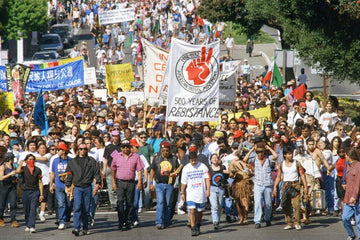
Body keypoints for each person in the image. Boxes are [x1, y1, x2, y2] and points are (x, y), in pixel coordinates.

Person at [65, 143, 101, 236]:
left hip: (87, 187)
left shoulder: (91, 161)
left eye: (85, 149)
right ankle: (76, 228)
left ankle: (85, 228)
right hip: (77, 187)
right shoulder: (73, 162)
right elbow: (69, 174)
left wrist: (98, 184)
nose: (83, 151)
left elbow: (96, 173)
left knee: (86, 208)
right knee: (77, 208)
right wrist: (68, 186)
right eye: (81, 149)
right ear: (78, 150)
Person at [111, 140, 144, 230]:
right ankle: (121, 221)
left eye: (127, 146)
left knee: (130, 202)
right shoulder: (117, 156)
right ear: (121, 148)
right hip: (120, 182)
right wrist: (113, 182)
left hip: (131, 182)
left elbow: (139, 170)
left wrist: (140, 182)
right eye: (123, 147)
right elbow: (113, 170)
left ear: (130, 147)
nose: (125, 148)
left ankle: (128, 220)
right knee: (120, 202)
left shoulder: (135, 157)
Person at [243, 142, 278, 229]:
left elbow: (276, 156)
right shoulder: (254, 159)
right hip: (258, 184)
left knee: (268, 203)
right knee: (258, 202)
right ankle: (257, 220)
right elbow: (245, 159)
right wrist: (252, 150)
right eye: (258, 152)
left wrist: (268, 148)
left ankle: (267, 218)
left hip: (267, 184)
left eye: (261, 152)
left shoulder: (268, 159)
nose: (260, 154)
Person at [273, 145, 307, 230]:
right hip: (285, 185)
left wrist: (305, 186)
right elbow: (278, 176)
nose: (290, 155)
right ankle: (288, 222)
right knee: (285, 205)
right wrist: (275, 187)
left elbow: (302, 175)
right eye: (288, 154)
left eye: (291, 154)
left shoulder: (297, 163)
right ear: (284, 155)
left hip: (295, 185)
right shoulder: (282, 165)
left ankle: (297, 222)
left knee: (296, 205)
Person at [149, 140, 180, 229]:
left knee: (168, 203)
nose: (165, 152)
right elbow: (152, 171)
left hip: (169, 184)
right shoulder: (157, 158)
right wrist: (151, 183)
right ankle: (159, 222)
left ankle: (167, 221)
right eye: (163, 151)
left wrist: (174, 174)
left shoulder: (173, 159)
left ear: (169, 150)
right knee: (160, 202)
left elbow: (177, 170)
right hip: (159, 184)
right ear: (161, 150)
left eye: (167, 150)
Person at [180, 151, 210, 237]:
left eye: (195, 160)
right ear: (189, 160)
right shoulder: (186, 168)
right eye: (192, 160)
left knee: (200, 211)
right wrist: (182, 192)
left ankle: (198, 224)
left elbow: (207, 179)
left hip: (201, 193)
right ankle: (193, 228)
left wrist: (208, 190)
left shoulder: (203, 166)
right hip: (190, 193)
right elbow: (183, 182)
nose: (194, 162)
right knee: (192, 210)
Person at [16, 154, 44, 233]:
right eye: (29, 159)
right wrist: (21, 163)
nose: (31, 161)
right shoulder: (23, 169)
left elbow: (40, 182)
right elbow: (17, 171)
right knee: (27, 209)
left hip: (34, 191)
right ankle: (28, 224)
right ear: (26, 161)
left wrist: (41, 194)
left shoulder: (38, 170)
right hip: (25, 191)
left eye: (32, 159)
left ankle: (32, 225)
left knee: (33, 209)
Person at [49, 142, 73, 230]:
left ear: (63, 151)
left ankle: (67, 219)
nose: (57, 151)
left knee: (69, 204)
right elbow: (52, 172)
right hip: (59, 185)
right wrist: (51, 183)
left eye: (59, 149)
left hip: (68, 186)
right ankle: (61, 221)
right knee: (61, 203)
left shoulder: (71, 160)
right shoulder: (55, 160)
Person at [342, 147, 360, 240]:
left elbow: (358, 183)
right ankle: (351, 234)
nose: (345, 157)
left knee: (359, 221)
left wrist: (354, 196)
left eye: (346, 155)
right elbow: (345, 176)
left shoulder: (358, 167)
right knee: (345, 218)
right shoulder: (348, 165)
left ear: (349, 156)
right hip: (348, 197)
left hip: (357, 199)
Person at [208, 153, 227, 229]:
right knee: (214, 206)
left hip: (221, 188)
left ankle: (217, 221)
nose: (215, 159)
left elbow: (227, 174)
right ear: (211, 160)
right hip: (212, 188)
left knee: (219, 205)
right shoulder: (208, 169)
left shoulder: (222, 167)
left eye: (216, 158)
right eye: (213, 158)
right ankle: (215, 221)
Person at [0, 152, 19, 228]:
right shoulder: (3, 166)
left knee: (13, 203)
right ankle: (0, 218)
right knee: (2, 203)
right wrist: (9, 174)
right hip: (4, 185)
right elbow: (1, 178)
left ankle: (13, 219)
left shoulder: (13, 166)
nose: (13, 160)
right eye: (12, 159)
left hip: (12, 185)